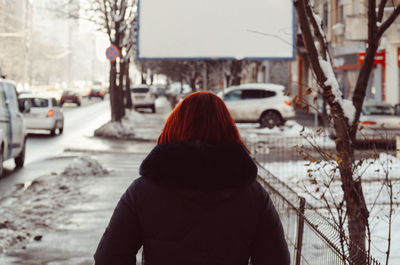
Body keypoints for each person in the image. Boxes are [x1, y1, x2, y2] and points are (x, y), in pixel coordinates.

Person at [94, 91, 290, 265]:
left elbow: (109, 257)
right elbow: (276, 259)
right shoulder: (254, 196)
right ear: (228, 129)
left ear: (174, 127)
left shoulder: (142, 191)